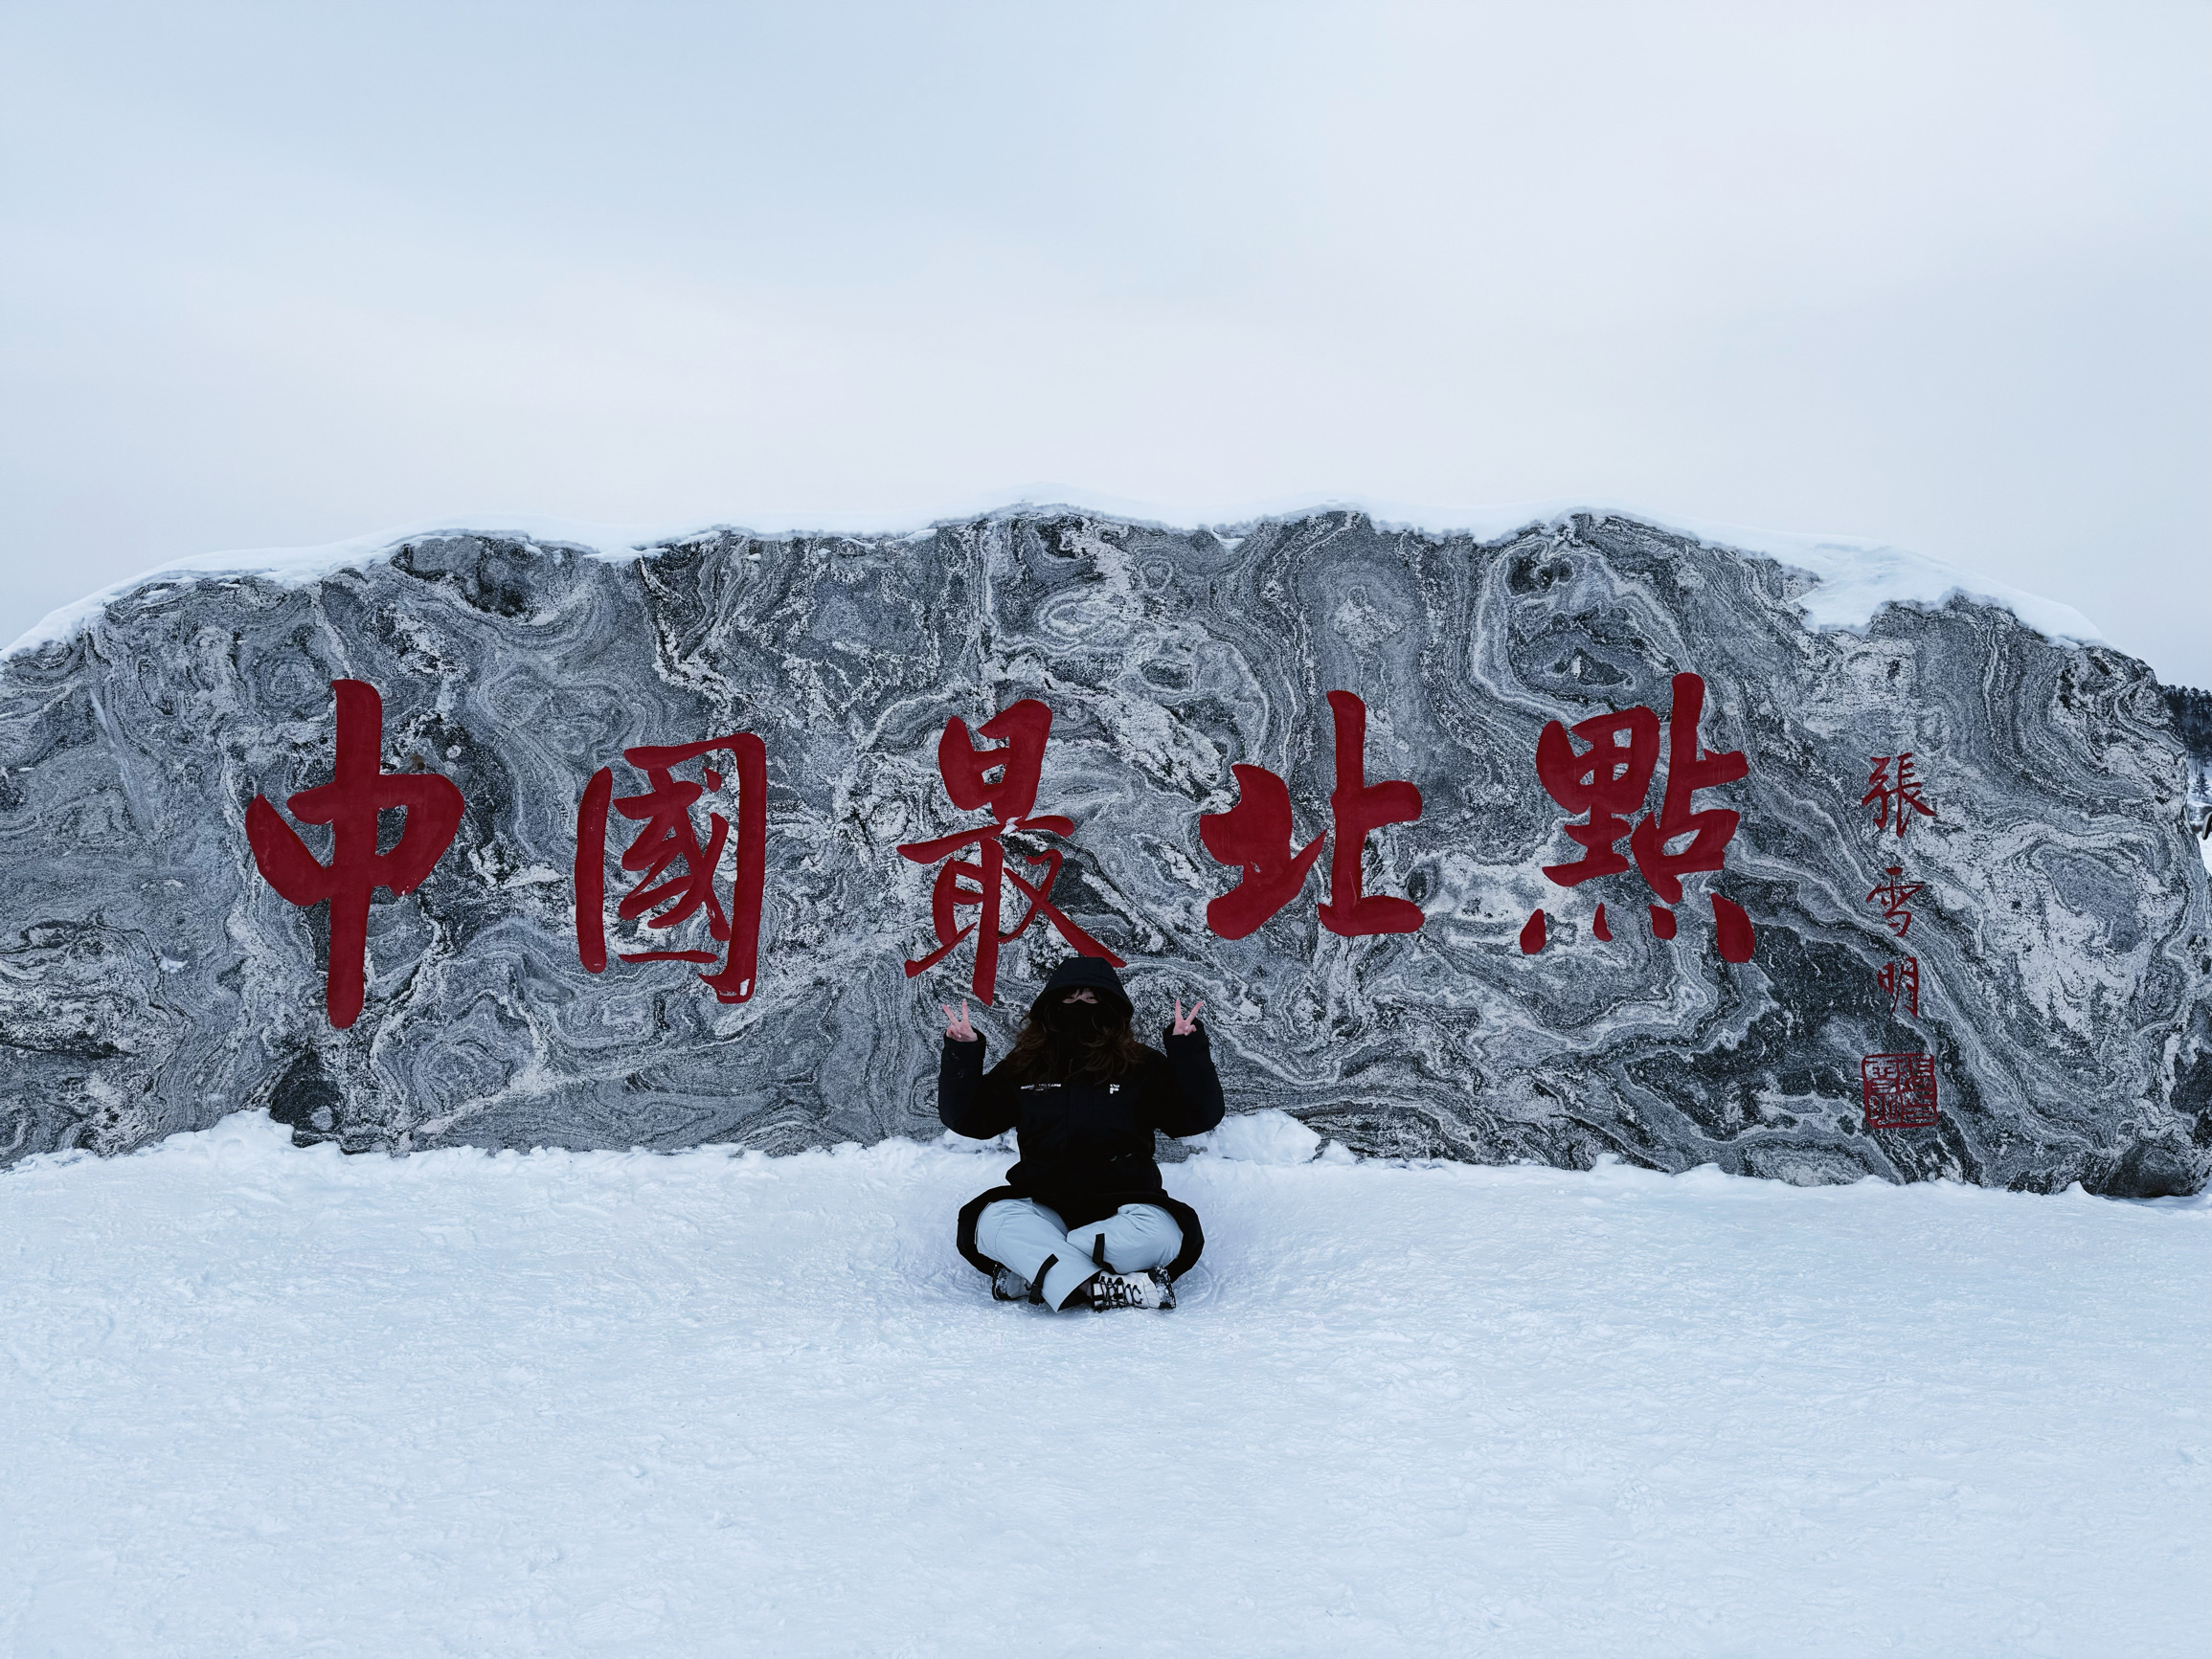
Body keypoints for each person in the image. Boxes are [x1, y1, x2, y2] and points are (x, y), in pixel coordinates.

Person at [938, 955, 1225, 1312]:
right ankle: (1108, 1287)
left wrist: (1188, 1051)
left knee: (1168, 1234)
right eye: (1069, 999)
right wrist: (962, 1054)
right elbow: (970, 1120)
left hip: (1126, 1205)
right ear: (1049, 1007)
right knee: (989, 1222)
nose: (1080, 1008)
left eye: (1091, 1000)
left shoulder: (1141, 1065)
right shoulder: (1026, 1064)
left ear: (1112, 1008)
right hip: (1043, 1202)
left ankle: (1040, 1269)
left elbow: (1197, 1117)